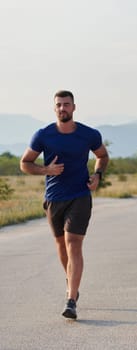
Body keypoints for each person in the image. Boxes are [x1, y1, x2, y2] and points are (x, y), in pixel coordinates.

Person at [20, 90, 109, 319]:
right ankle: (72, 283)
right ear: (54, 108)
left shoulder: (88, 134)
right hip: (53, 198)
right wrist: (45, 170)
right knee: (61, 246)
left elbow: (102, 155)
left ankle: (70, 299)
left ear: (74, 107)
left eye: (66, 104)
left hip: (79, 195)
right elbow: (25, 163)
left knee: (73, 243)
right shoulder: (43, 135)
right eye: (59, 105)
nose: (63, 108)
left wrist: (97, 175)